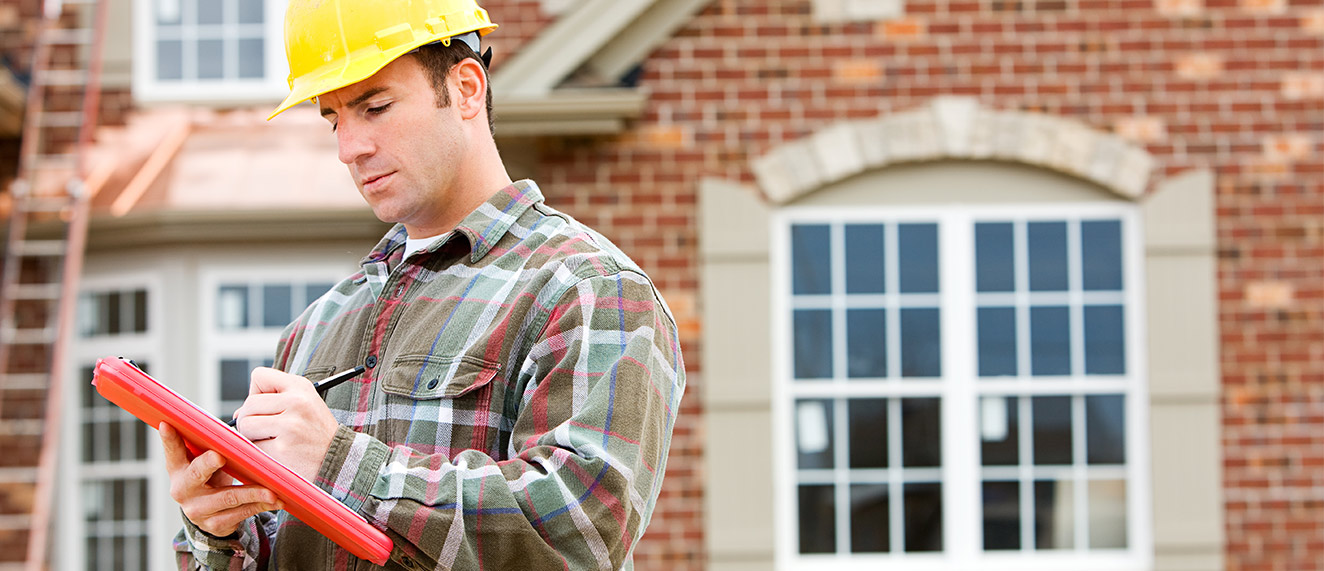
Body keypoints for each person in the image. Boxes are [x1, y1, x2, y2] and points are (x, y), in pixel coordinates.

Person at [157, 1, 685, 568]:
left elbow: (579, 532)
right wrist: (220, 531)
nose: (348, 148)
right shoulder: (316, 328)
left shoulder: (586, 289)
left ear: (465, 88)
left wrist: (340, 463)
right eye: (333, 117)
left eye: (375, 107)